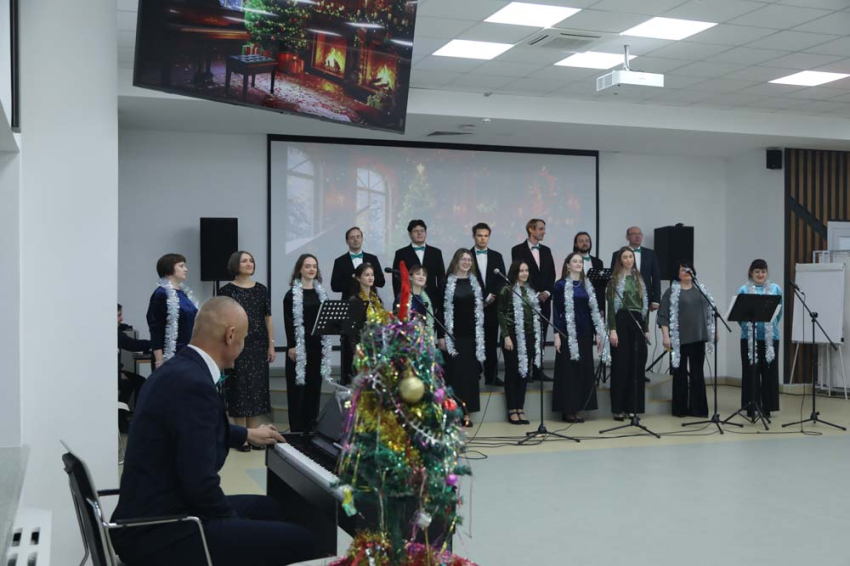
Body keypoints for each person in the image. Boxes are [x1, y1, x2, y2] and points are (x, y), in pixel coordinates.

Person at [111, 297, 315, 566]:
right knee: (303, 541)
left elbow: (189, 428)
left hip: (147, 513)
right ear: (230, 335)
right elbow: (200, 485)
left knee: (271, 508)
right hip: (161, 530)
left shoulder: (178, 369)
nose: (242, 346)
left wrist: (246, 434)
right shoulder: (194, 384)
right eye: (243, 338)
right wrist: (235, 527)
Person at [219, 251, 275, 450]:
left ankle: (254, 435)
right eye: (244, 261)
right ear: (236, 264)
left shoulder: (261, 289)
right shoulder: (226, 290)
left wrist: (271, 344)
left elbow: (268, 318)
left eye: (251, 260)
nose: (249, 263)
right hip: (236, 344)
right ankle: (241, 436)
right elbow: (222, 319)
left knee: (256, 390)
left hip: (258, 345)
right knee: (239, 388)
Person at [552, 253, 609, 423]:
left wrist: (598, 333)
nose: (578, 264)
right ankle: (567, 409)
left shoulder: (587, 285)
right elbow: (556, 311)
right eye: (574, 261)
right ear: (568, 265)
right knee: (568, 372)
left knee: (582, 371)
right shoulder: (560, 285)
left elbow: (594, 310)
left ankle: (578, 408)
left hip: (585, 333)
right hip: (567, 334)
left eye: (580, 262)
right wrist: (556, 335)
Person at [283, 254, 333, 433]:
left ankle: (311, 431)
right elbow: (289, 322)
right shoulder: (291, 295)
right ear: (300, 269)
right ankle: (297, 431)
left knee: (314, 390)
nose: (312, 269)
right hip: (299, 349)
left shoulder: (321, 294)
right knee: (298, 393)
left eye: (314, 266)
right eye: (307, 266)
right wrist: (292, 346)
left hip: (317, 348)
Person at [657, 261, 714, 418]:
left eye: (689, 269)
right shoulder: (671, 292)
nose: (686, 272)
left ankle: (698, 409)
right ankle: (680, 409)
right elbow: (663, 316)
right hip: (679, 340)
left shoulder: (701, 290)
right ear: (677, 274)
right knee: (680, 374)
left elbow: (710, 313)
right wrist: (665, 336)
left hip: (698, 338)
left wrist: (714, 331)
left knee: (697, 373)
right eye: (683, 270)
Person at [331, 227, 386, 385]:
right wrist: (355, 280)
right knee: (351, 356)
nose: (355, 239)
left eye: (358, 236)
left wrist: (366, 277)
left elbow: (381, 281)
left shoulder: (372, 258)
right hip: (352, 308)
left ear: (362, 238)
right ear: (347, 241)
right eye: (352, 237)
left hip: (370, 304)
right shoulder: (340, 261)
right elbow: (335, 286)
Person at [439, 249, 485, 427]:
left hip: (472, 336)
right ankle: (453, 414)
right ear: (456, 261)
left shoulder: (476, 282)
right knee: (454, 376)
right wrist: (441, 335)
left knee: (469, 377)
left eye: (469, 260)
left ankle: (467, 413)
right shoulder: (447, 282)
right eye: (463, 259)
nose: (466, 262)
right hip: (453, 336)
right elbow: (440, 310)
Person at [606, 247, 650, 421]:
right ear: (620, 260)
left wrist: (646, 329)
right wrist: (613, 329)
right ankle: (618, 408)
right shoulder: (614, 279)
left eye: (631, 256)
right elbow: (611, 307)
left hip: (637, 321)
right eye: (625, 257)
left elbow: (644, 305)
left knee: (636, 365)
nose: (629, 260)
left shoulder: (639, 278)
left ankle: (633, 407)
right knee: (621, 365)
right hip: (621, 320)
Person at [511, 219, 556, 381]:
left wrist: (547, 292)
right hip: (527, 300)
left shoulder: (546, 250)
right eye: (541, 229)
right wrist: (535, 293)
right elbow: (519, 274)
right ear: (531, 230)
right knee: (527, 335)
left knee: (541, 335)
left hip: (545, 301)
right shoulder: (517, 250)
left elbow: (551, 273)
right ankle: (526, 370)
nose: (544, 231)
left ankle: (538, 370)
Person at [737, 259, 782, 417]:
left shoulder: (776, 289)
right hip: (749, 338)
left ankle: (768, 407)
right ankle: (751, 406)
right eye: (757, 271)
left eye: (763, 271)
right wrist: (747, 329)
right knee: (751, 372)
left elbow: (779, 313)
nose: (760, 274)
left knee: (769, 373)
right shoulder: (744, 289)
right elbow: (740, 315)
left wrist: (770, 326)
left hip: (771, 338)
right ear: (751, 273)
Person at [497, 260, 540, 425]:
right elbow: (501, 313)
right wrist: (506, 336)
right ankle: (511, 409)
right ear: (515, 272)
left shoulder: (529, 291)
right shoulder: (507, 290)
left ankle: (520, 407)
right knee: (512, 372)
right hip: (512, 336)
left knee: (524, 372)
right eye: (521, 270)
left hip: (528, 336)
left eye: (526, 270)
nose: (524, 273)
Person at [147, 253, 199, 369]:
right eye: (181, 266)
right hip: (170, 355)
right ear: (169, 268)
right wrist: (159, 361)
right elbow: (155, 328)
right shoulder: (161, 294)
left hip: (188, 353)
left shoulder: (184, 294)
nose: (186, 269)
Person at [470, 222, 507, 386]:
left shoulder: (497, 256)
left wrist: (491, 297)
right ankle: (474, 373)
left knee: (491, 342)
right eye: (480, 235)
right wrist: (481, 299)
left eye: (486, 236)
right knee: (473, 341)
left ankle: (491, 376)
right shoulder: (467, 256)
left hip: (492, 306)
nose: (483, 239)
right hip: (473, 307)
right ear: (474, 236)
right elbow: (464, 280)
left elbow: (502, 280)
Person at [345, 262, 389, 381]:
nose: (370, 278)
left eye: (372, 275)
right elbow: (352, 329)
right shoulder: (355, 300)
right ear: (358, 278)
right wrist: (356, 351)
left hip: (378, 346)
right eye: (366, 275)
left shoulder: (376, 299)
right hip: (364, 347)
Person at [392, 219, 445, 303]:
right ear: (410, 234)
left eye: (422, 231)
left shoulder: (436, 253)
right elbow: (396, 282)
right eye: (416, 231)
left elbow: (441, 278)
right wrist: (400, 301)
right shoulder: (401, 253)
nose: (419, 233)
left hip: (432, 300)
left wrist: (440, 302)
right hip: (409, 300)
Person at [610, 226, 661, 310]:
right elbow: (613, 276)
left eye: (639, 234)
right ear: (627, 237)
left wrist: (656, 300)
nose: (637, 236)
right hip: (623, 297)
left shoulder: (650, 254)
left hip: (644, 296)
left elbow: (656, 277)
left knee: (643, 318)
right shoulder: (617, 254)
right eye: (634, 234)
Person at [118, 303, 150, 433]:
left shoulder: (114, 329)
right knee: (129, 384)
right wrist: (155, 343)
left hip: (115, 371)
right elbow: (131, 344)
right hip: (111, 373)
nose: (121, 318)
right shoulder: (112, 331)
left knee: (140, 381)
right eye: (118, 315)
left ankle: (134, 419)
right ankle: (121, 422)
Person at [394, 265, 436, 339]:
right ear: (410, 277)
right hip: (406, 338)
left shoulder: (425, 299)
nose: (421, 277)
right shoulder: (403, 296)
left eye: (424, 275)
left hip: (423, 339)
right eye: (418, 274)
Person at [573, 231, 605, 312]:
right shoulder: (571, 261)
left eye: (587, 241)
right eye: (581, 241)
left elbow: (601, 288)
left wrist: (601, 308)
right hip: (576, 303)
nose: (585, 243)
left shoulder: (598, 262)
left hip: (594, 305)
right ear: (576, 244)